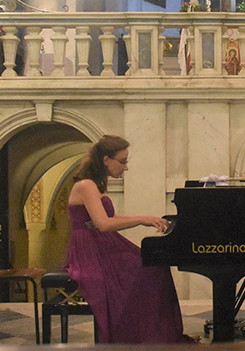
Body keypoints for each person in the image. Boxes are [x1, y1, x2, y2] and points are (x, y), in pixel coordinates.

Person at [64, 135, 195, 344]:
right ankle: (139, 336)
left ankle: (148, 335)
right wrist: (140, 219)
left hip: (100, 244)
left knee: (155, 267)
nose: (125, 167)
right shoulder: (86, 185)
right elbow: (103, 224)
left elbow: (109, 219)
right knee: (148, 272)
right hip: (89, 250)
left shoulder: (95, 185)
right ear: (106, 159)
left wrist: (145, 219)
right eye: (122, 161)